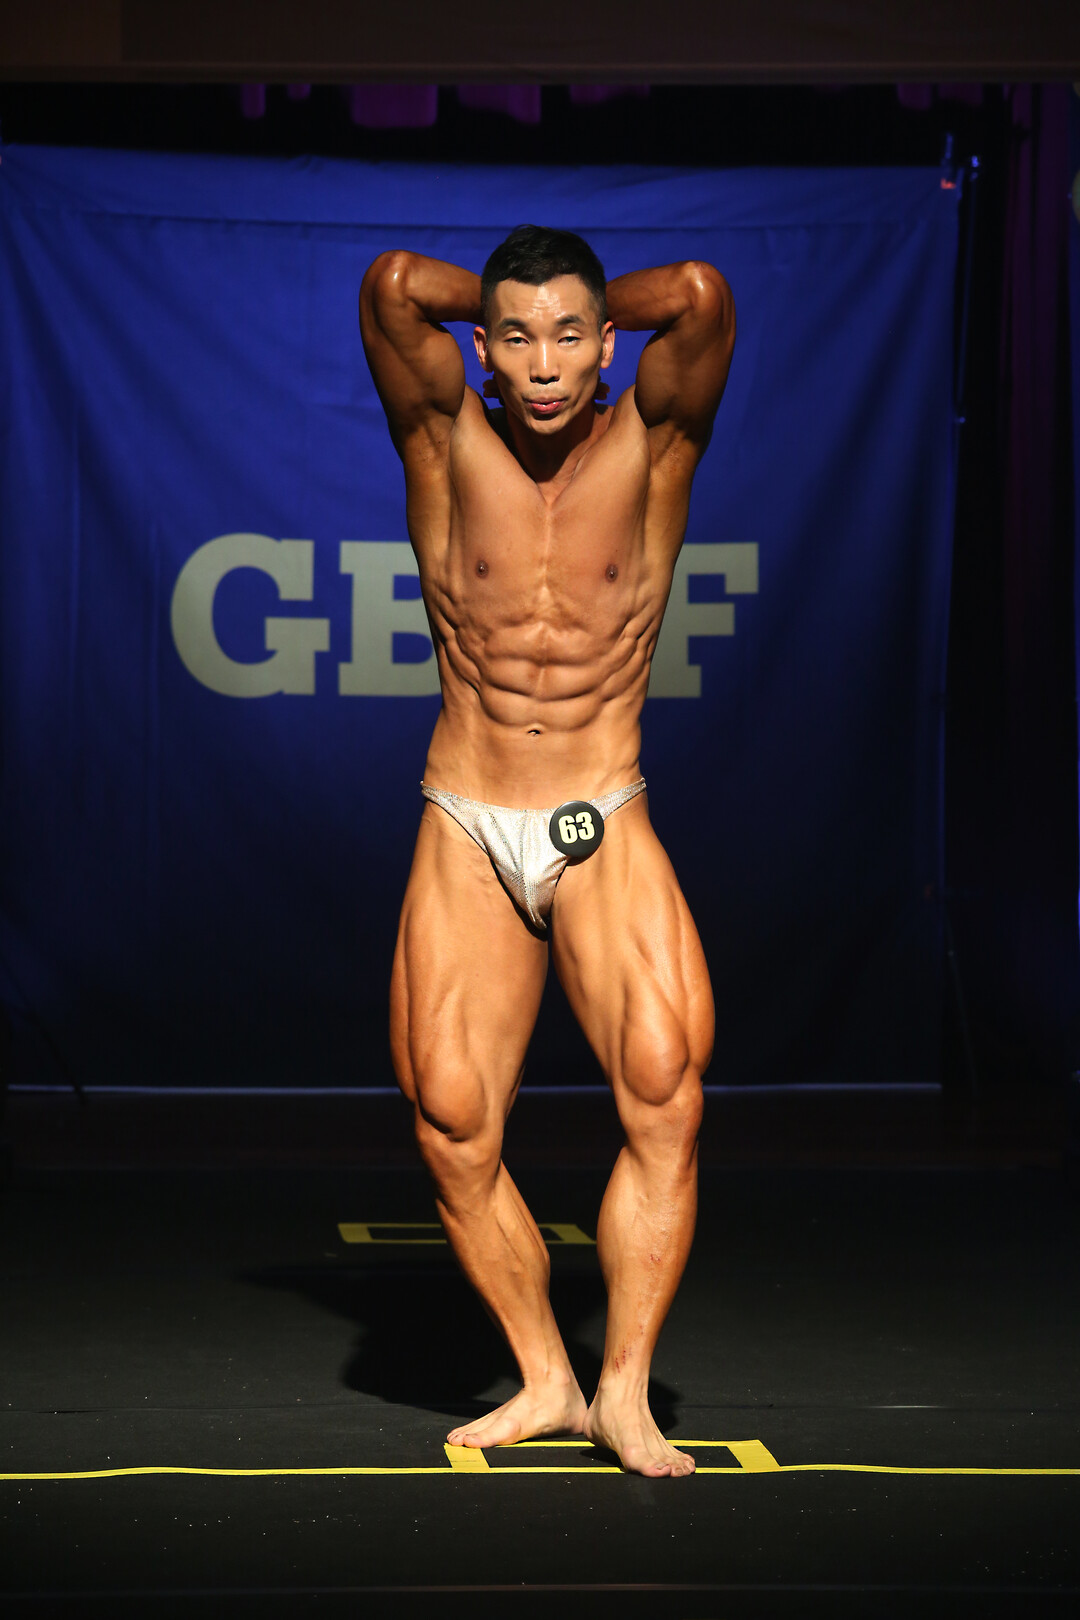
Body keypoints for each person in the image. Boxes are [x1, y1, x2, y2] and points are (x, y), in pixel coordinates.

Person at [359, 225, 734, 1478]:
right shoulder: (442, 437)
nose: (543, 363)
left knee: (665, 1085)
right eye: (515, 337)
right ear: (481, 346)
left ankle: (623, 1390)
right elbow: (394, 285)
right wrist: (517, 301)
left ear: (609, 343)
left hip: (595, 809)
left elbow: (699, 295)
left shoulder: (655, 442)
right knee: (451, 1117)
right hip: (469, 814)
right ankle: (544, 1377)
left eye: (571, 335)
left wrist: (564, 295)